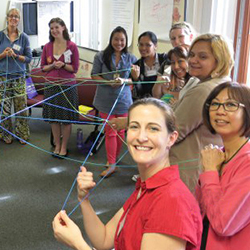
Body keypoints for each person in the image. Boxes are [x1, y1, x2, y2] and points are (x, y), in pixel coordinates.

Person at [53, 98, 202, 250]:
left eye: (153, 129)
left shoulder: (171, 202)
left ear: (171, 138)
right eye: (134, 127)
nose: (141, 137)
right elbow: (104, 240)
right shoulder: (147, 187)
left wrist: (78, 244)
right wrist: (83, 199)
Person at [110, 34, 234, 193]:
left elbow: (174, 130)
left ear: (219, 59)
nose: (194, 60)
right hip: (201, 166)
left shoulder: (204, 90)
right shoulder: (218, 83)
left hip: (188, 170)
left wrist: (131, 125)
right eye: (192, 55)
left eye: (203, 57)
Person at [196, 82, 250, 250]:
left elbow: (222, 224)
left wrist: (210, 171)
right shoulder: (218, 154)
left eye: (230, 105)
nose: (220, 111)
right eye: (215, 104)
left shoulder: (247, 162)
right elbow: (200, 209)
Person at [91, 26, 137, 177]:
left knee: (121, 131)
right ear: (111, 40)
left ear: (126, 41)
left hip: (123, 100)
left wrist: (124, 80)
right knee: (110, 131)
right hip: (105, 99)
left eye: (122, 40)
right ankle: (112, 164)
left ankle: (114, 159)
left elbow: (135, 80)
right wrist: (108, 82)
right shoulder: (100, 56)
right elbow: (94, 75)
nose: (119, 42)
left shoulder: (131, 58)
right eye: (116, 39)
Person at [41, 17, 79, 157]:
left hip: (67, 86)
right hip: (51, 86)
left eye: (57, 27)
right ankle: (56, 145)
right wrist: (52, 65)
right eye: (52, 28)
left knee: (66, 119)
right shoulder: (47, 46)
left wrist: (63, 65)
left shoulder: (72, 46)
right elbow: (43, 68)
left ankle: (64, 147)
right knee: (54, 119)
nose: (54, 30)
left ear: (63, 27)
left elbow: (74, 68)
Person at [0, 8, 32, 144]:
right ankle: (6, 134)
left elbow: (29, 58)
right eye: (11, 16)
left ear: (19, 20)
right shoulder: (0, 36)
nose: (14, 19)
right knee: (4, 110)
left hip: (18, 77)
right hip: (3, 78)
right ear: (7, 18)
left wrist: (16, 56)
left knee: (21, 108)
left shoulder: (24, 37)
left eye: (16, 17)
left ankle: (22, 134)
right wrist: (3, 54)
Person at [130, 31, 168, 99]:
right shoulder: (137, 65)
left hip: (165, 101)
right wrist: (136, 79)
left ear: (155, 46)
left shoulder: (165, 59)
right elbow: (138, 94)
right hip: (146, 104)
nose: (143, 48)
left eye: (148, 45)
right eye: (141, 45)